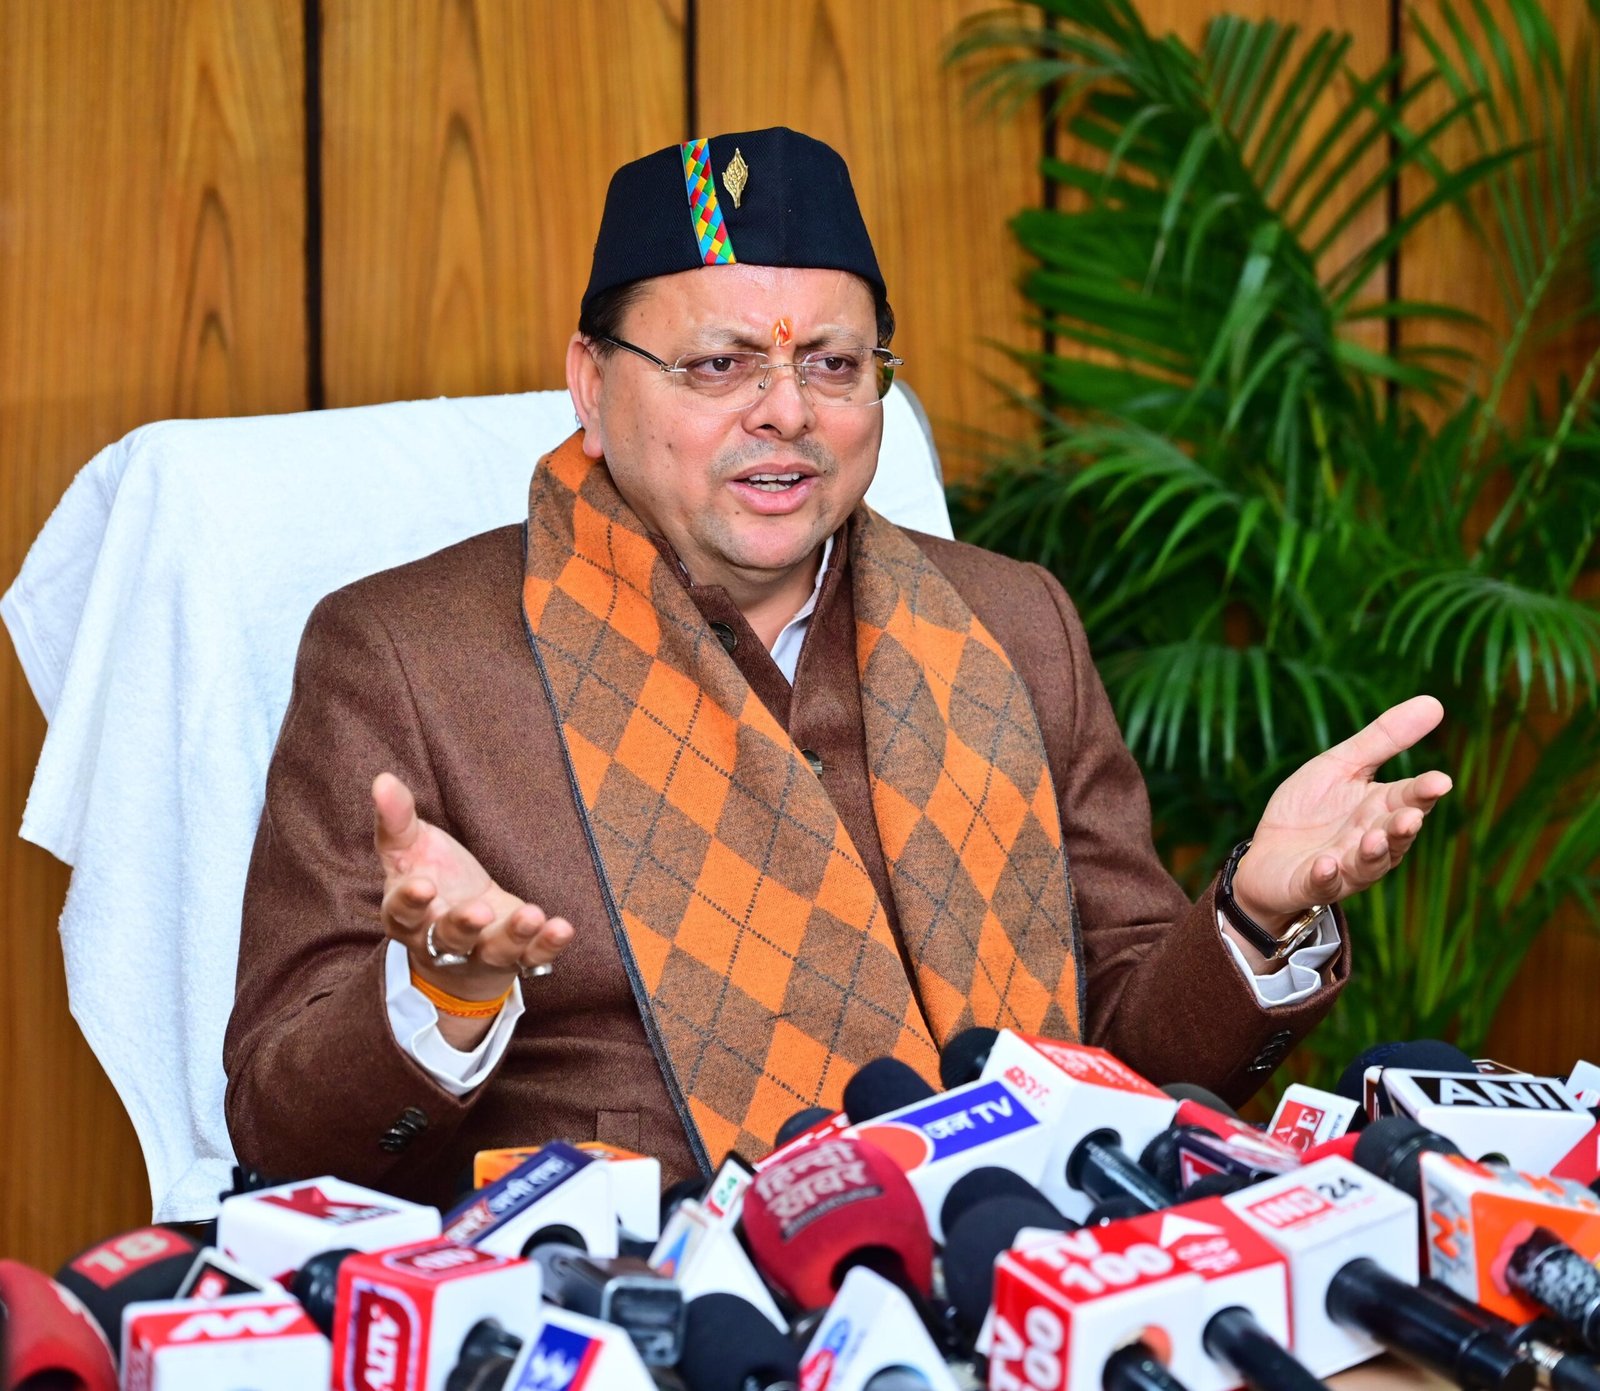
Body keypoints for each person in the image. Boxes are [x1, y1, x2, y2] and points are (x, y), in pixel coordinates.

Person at [223, 128, 1450, 1205]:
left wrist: (1253, 913)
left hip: (1018, 1259)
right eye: (718, 365)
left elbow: (1125, 1065)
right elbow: (281, 1139)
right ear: (591, 384)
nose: (786, 412)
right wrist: (438, 992)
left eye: (832, 364)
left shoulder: (1010, 622)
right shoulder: (404, 654)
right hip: (638, 1304)